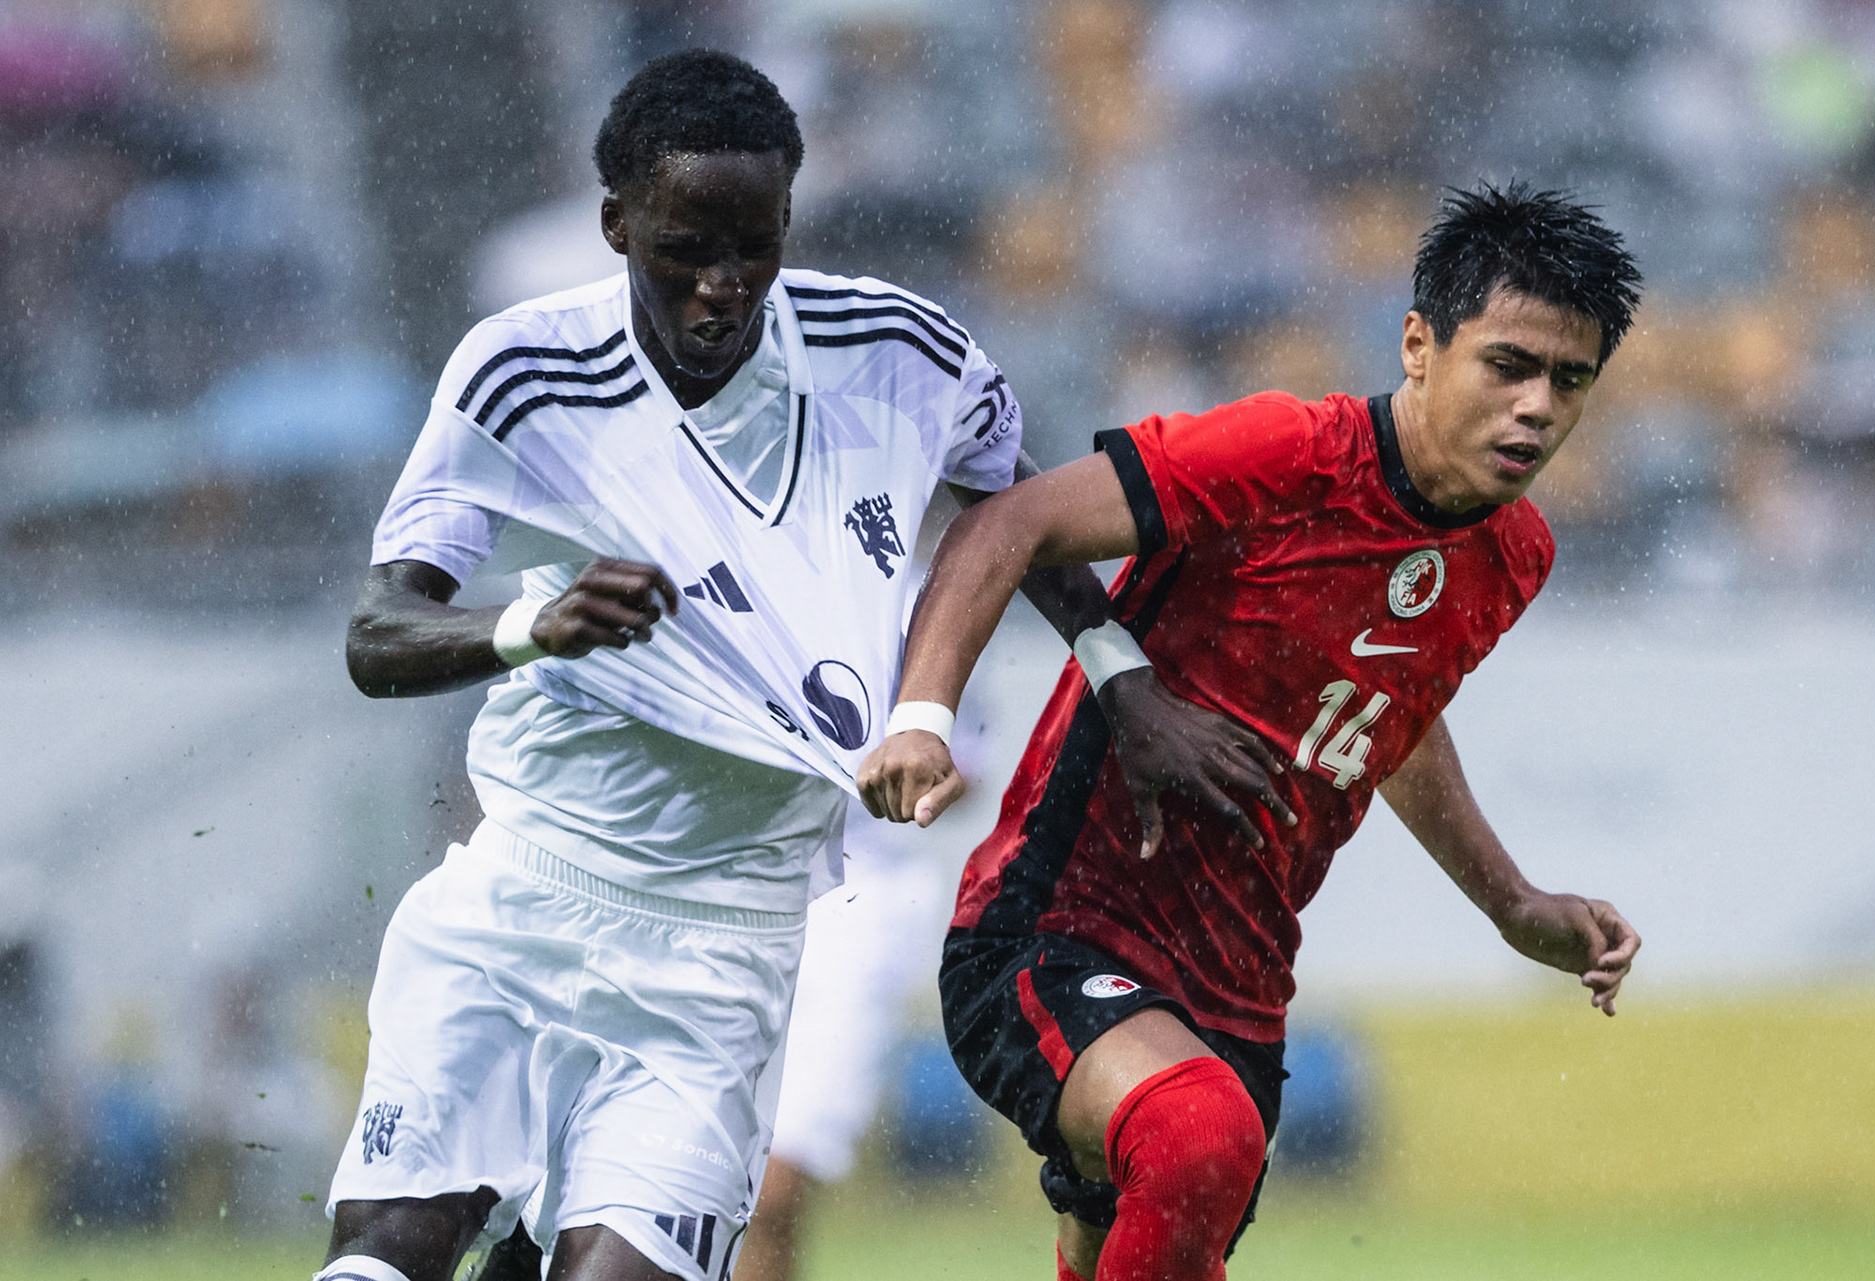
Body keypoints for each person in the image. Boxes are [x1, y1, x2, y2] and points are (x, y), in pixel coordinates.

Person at [317, 49, 1248, 1281]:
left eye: (751, 247)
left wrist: (1121, 674)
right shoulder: (523, 369)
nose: (720, 286)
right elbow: (378, 635)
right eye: (684, 249)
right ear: (616, 225)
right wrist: (529, 629)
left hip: (726, 945)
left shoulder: (901, 353)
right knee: (389, 1258)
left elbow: (1014, 516)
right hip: (525, 896)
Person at [857, 182, 1647, 1281]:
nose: (1537, 408)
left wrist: (1513, 903)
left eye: (1570, 381)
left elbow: (1392, 719)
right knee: (1197, 1139)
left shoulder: (1515, 555)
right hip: (1057, 927)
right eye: (1507, 365)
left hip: (1239, 982)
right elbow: (1012, 520)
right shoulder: (1286, 454)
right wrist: (921, 720)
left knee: (1152, 1222)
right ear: (1420, 344)